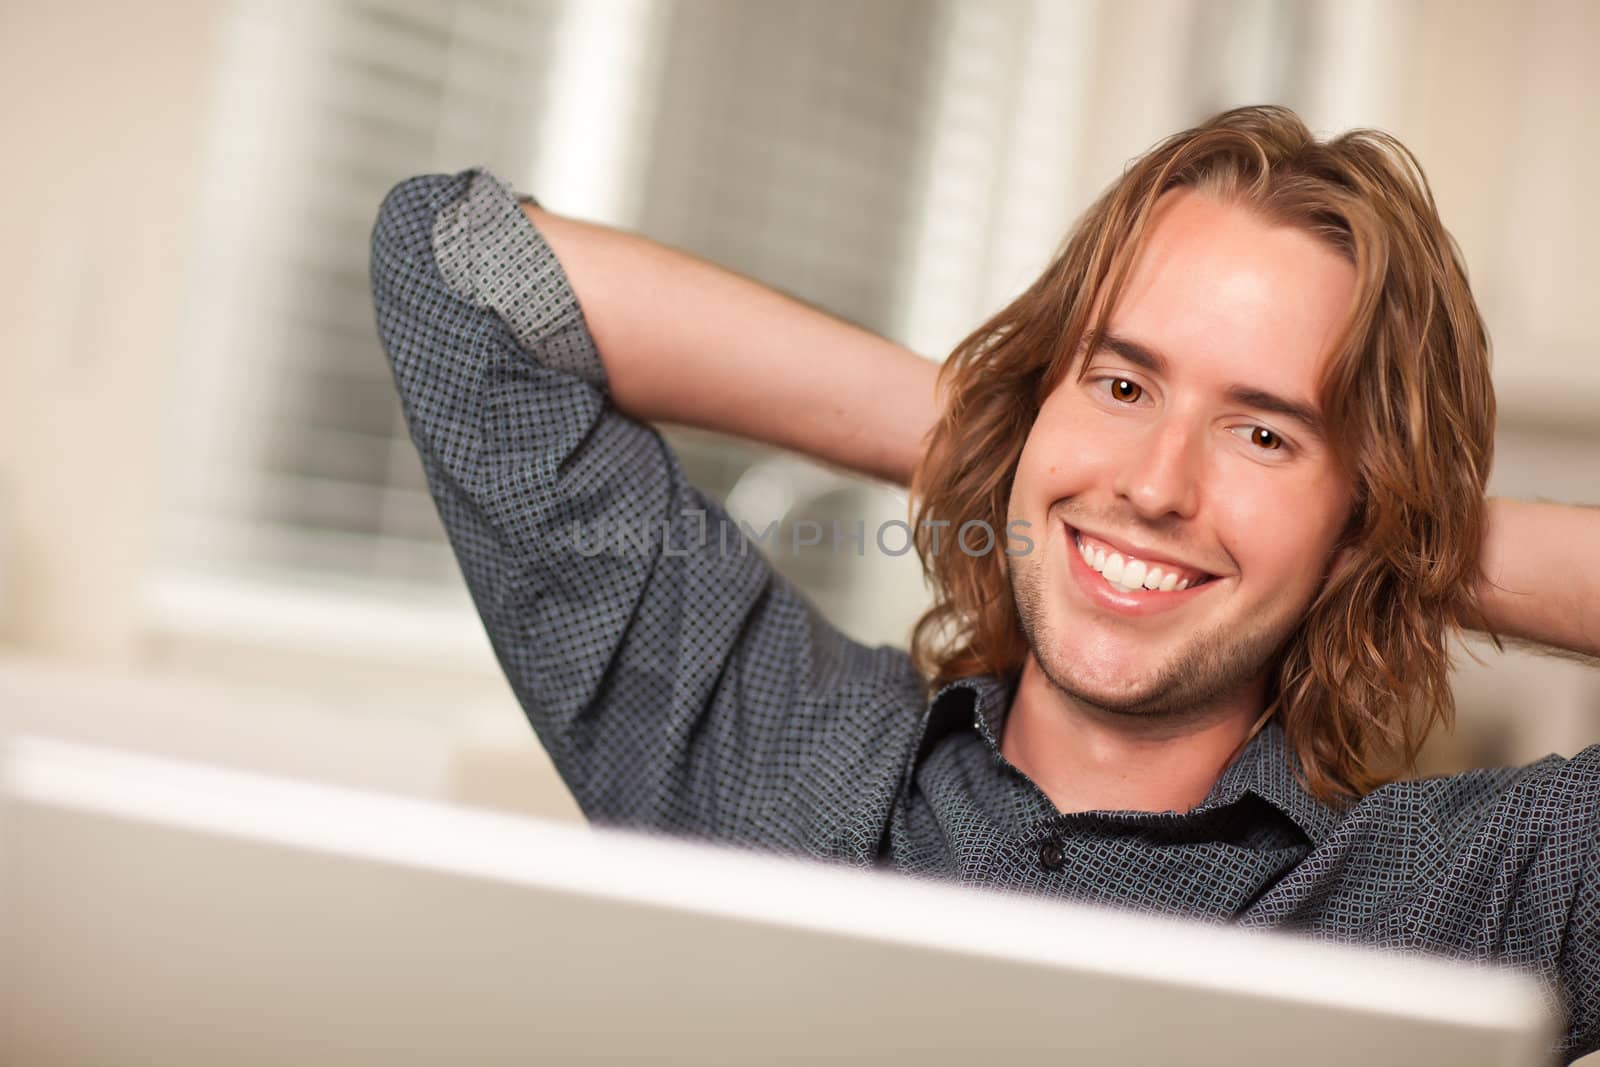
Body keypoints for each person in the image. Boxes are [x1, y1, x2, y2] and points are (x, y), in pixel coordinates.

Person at [370, 106, 1599, 1059]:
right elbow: (457, 271)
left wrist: (1408, 543)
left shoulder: (1456, 904)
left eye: (1263, 432)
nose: (1155, 483)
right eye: (1121, 385)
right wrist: (996, 438)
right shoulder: (779, 757)